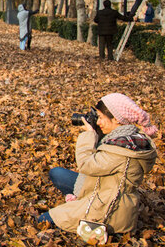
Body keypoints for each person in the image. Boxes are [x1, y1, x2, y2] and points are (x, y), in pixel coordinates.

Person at [38, 93, 157, 237]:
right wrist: (98, 133)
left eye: (101, 118)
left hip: (108, 209)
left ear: (116, 119)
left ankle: (77, 208)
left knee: (42, 220)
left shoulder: (123, 148)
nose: (98, 122)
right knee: (57, 174)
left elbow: (86, 165)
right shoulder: (126, 137)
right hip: (102, 188)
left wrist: (90, 135)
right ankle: (76, 203)